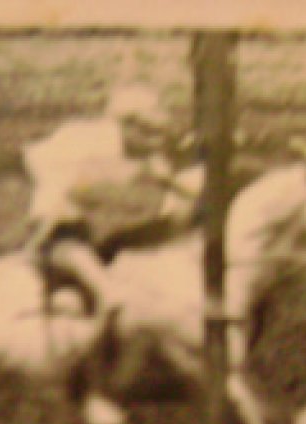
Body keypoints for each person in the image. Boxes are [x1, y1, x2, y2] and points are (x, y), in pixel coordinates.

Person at [22, 83, 194, 324]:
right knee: (66, 230)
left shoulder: (149, 156)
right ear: (125, 125)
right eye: (148, 132)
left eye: (158, 133)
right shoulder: (85, 140)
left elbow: (175, 186)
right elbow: (57, 186)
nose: (155, 141)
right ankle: (106, 292)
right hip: (64, 205)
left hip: (103, 217)